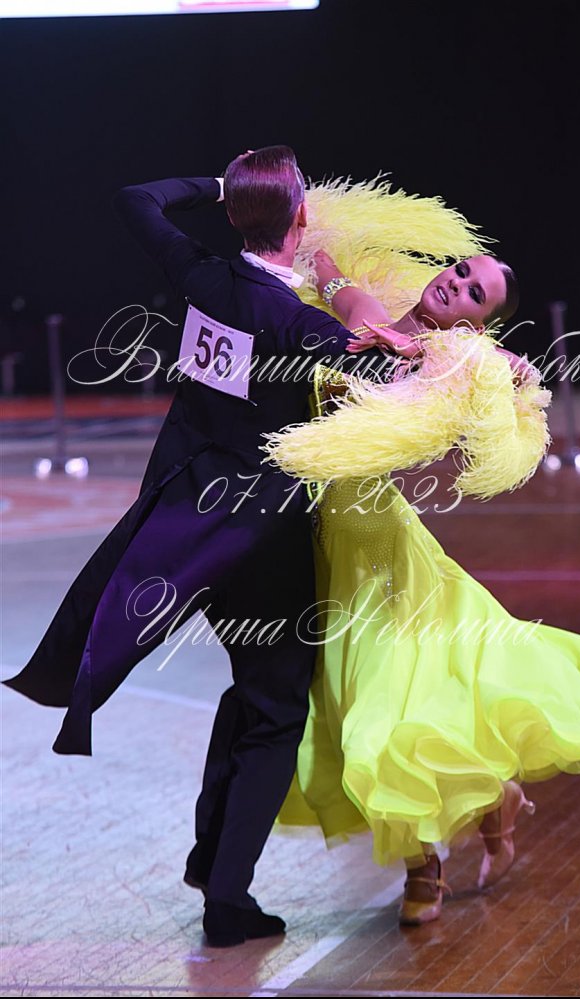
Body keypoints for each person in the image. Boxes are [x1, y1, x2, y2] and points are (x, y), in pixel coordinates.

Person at [2, 147, 396, 948]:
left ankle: (216, 872)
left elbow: (134, 196)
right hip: (262, 541)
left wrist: (220, 186)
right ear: (302, 218)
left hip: (187, 530)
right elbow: (376, 364)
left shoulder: (203, 278)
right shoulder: (295, 320)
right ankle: (226, 894)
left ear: (233, 213)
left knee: (249, 696)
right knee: (275, 709)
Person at [263, 218, 580, 927]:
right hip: (314, 540)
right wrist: (310, 244)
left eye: (474, 293)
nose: (456, 284)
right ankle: (498, 804)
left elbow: (501, 379)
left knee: (380, 717)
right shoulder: (374, 313)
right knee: (362, 709)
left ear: (478, 322)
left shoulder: (456, 359)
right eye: (461, 271)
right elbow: (335, 280)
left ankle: (422, 866)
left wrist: (506, 371)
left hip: (377, 555)